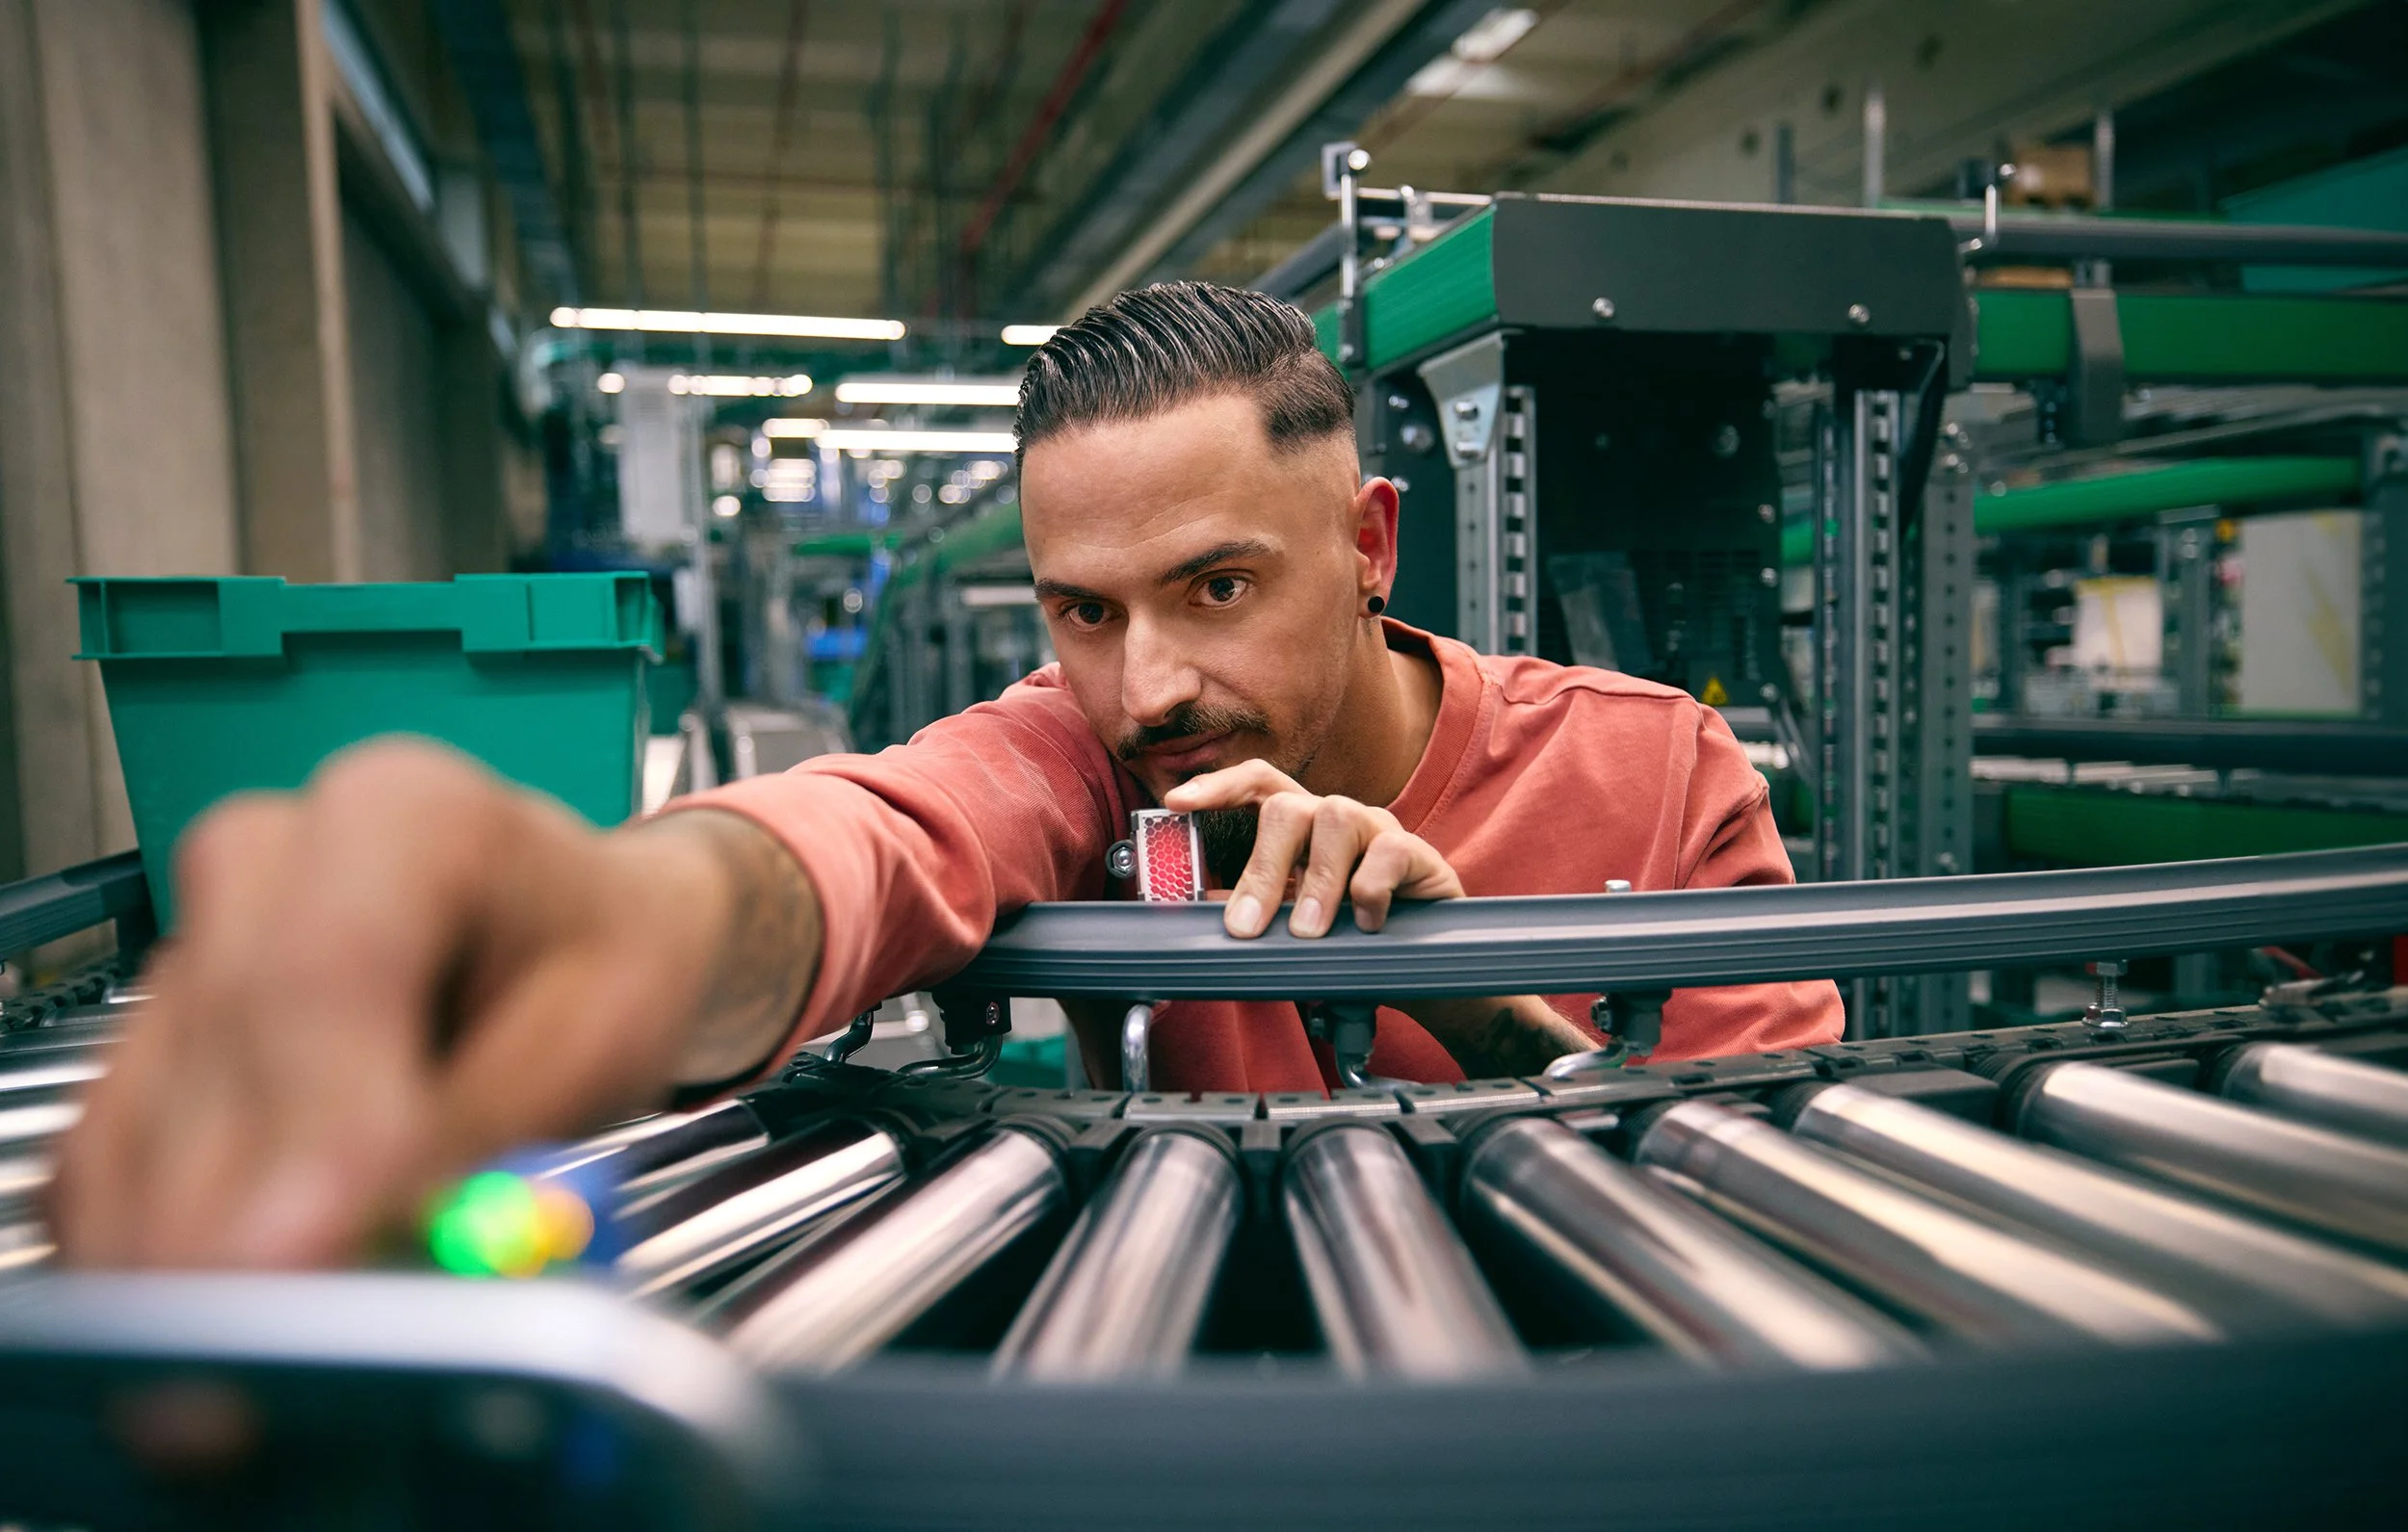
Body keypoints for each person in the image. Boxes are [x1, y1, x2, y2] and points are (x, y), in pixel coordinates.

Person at [52, 282, 1840, 1266]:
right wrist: (621, 914)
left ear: (1370, 539)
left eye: (1218, 586)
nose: (1148, 685)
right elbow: (884, 826)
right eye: (1084, 610)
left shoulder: (1648, 766)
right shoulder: (1080, 754)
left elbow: (1800, 1219)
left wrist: (1482, 994)